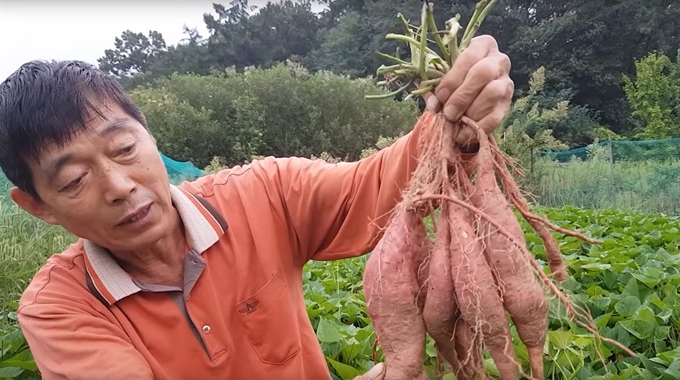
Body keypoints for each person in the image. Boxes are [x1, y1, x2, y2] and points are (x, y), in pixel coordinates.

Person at [0, 35, 512, 380]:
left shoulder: (263, 194)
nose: (118, 186)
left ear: (149, 134)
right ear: (36, 206)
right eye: (74, 180)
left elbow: (372, 187)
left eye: (124, 149)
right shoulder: (59, 308)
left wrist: (456, 124)